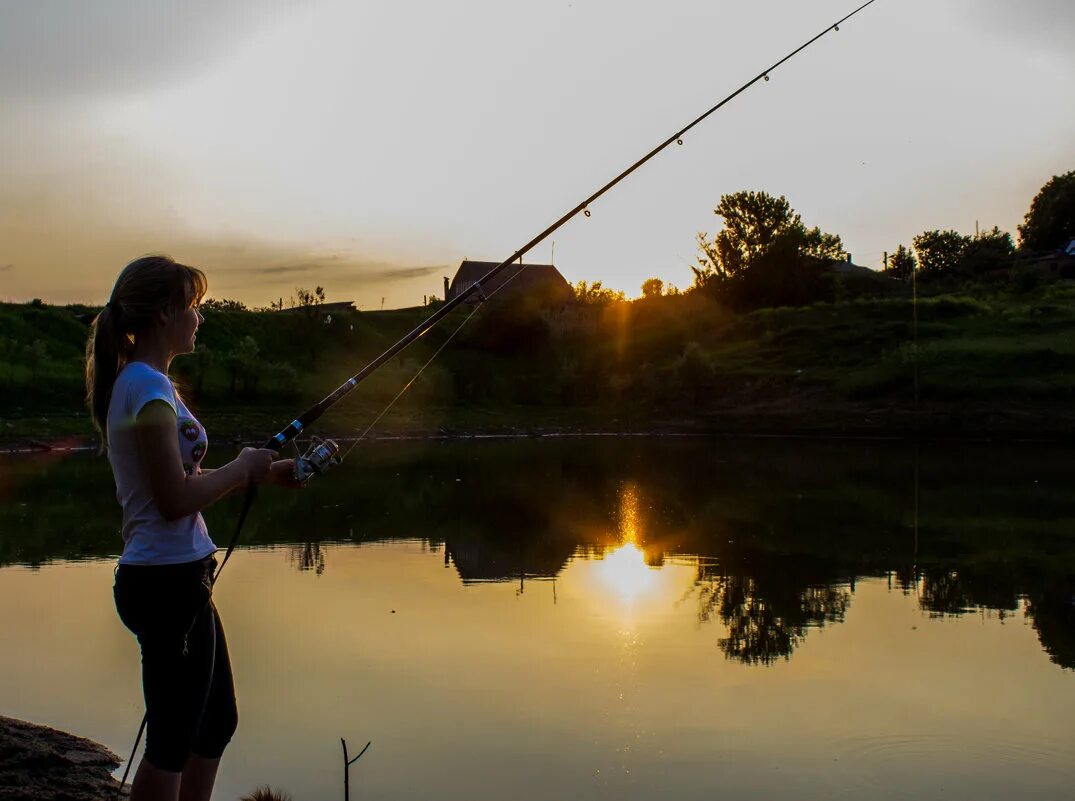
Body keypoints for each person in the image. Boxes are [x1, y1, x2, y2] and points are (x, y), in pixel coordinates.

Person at [85, 255, 299, 801]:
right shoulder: (147, 392)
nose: (199, 318)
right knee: (172, 741)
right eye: (194, 306)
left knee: (215, 722)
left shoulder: (149, 385)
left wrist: (267, 474)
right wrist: (239, 469)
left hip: (179, 576)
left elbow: (184, 480)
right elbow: (174, 499)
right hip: (164, 583)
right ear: (163, 314)